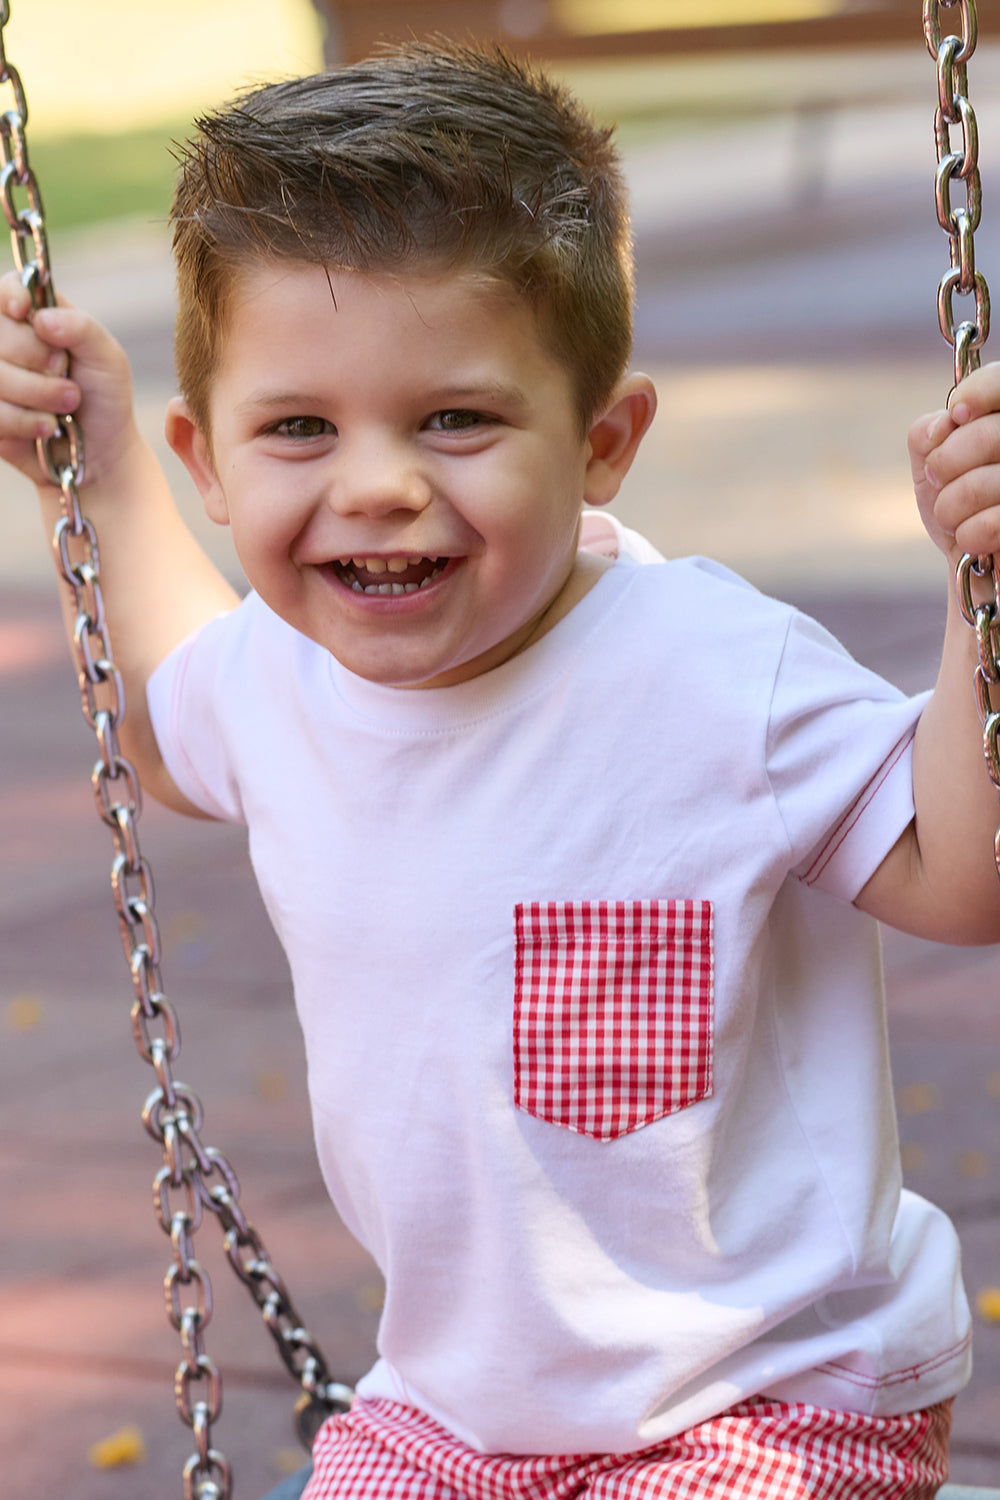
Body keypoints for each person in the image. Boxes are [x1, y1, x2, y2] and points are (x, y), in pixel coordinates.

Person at [1, 40, 999, 1500]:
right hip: (463, 1404)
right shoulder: (282, 677)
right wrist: (94, 478)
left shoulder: (716, 675)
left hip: (767, 1390)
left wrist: (985, 606)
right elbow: (159, 718)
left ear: (602, 442)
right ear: (208, 461)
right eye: (297, 429)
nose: (379, 482)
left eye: (455, 418)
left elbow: (963, 880)